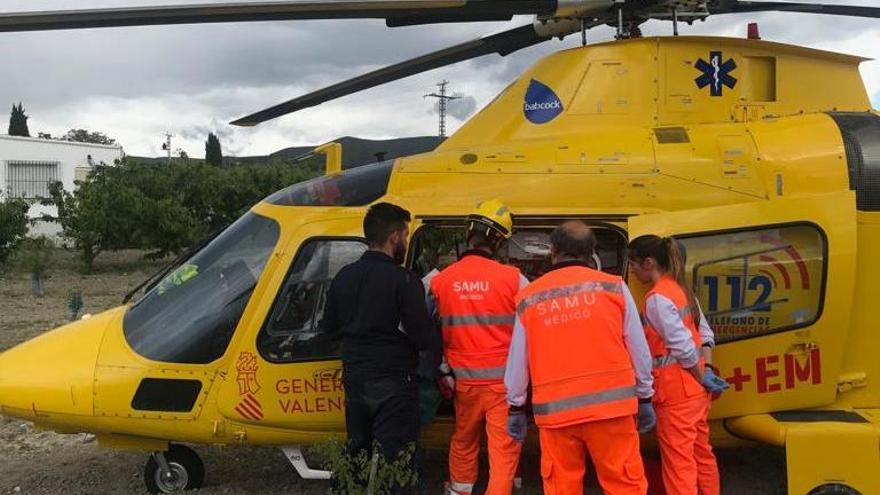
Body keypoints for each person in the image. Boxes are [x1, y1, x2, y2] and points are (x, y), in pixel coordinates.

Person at [505, 220, 656, 495]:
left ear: (553, 250)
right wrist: (645, 396)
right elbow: (639, 348)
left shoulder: (529, 297)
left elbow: (518, 361)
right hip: (612, 412)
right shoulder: (614, 287)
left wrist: (515, 407)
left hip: (557, 416)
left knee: (562, 487)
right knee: (625, 485)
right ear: (591, 253)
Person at [323, 202, 441, 493]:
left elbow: (329, 328)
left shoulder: (343, 277)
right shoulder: (404, 280)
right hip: (394, 382)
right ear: (395, 238)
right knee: (398, 458)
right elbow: (423, 336)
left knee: (357, 450)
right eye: (405, 234)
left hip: (355, 377)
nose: (405, 241)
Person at [428, 199, 527, 495]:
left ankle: (460, 490)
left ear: (468, 233)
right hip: (502, 384)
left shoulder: (441, 280)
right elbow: (530, 325)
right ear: (498, 241)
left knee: (463, 439)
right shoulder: (514, 279)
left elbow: (427, 327)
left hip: (463, 383)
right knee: (503, 448)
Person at [627, 235, 729, 495]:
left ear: (649, 263)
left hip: (675, 394)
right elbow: (705, 336)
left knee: (679, 464)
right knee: (702, 454)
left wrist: (700, 374)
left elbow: (681, 346)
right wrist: (705, 372)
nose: (633, 270)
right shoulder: (682, 292)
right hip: (696, 393)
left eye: (634, 264)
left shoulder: (656, 299)